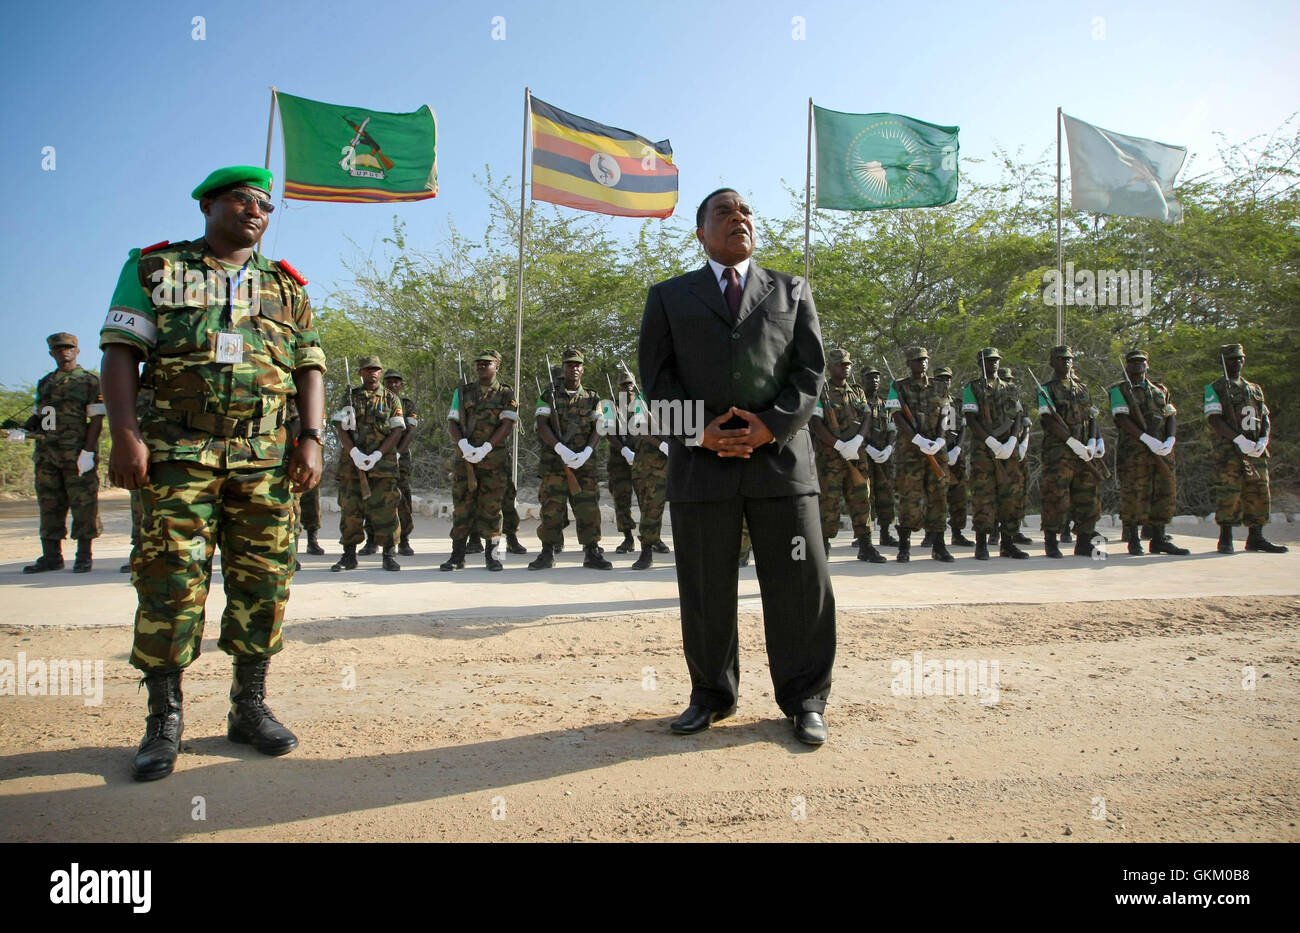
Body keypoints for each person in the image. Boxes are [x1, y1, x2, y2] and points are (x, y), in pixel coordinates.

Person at [100, 165, 325, 781]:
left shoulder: (287, 285)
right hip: (176, 456)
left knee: (264, 581)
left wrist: (311, 439)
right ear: (207, 205)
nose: (254, 210)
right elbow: (120, 355)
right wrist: (124, 437)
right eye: (240, 199)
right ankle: (163, 719)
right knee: (170, 580)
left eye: (265, 204)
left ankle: (248, 708)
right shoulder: (156, 269)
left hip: (264, 458)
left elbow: (310, 366)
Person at [640, 187, 835, 746]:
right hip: (703, 468)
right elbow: (657, 384)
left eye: (745, 211)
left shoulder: (791, 291)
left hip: (779, 462)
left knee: (800, 583)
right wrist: (700, 431)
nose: (738, 218)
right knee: (705, 587)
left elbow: (809, 375)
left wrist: (771, 425)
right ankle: (711, 695)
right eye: (723, 212)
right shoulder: (669, 297)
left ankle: (804, 700)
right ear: (700, 232)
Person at [6, 334, 105, 573]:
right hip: (47, 454)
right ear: (51, 353)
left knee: (83, 503)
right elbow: (40, 416)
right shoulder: (45, 382)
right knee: (49, 503)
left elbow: (96, 419)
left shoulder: (89, 381)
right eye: (58, 349)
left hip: (77, 453)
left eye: (68, 348)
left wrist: (88, 452)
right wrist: (21, 429)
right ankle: (51, 556)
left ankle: (83, 556)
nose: (64, 352)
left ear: (77, 351)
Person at [529, 350, 609, 569]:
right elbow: (542, 425)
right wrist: (559, 448)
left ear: (583, 369)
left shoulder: (592, 397)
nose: (573, 368)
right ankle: (547, 551)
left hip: (584, 464)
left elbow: (599, 428)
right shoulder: (548, 395)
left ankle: (591, 551)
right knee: (551, 508)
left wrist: (587, 453)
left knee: (588, 509)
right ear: (563, 369)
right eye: (569, 365)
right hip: (555, 464)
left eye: (577, 365)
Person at [440, 349, 518, 571]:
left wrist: (487, 447)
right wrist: (463, 445)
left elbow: (507, 424)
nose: (482, 367)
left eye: (487, 363)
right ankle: (457, 556)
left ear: (497, 367)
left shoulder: (505, 393)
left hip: (493, 460)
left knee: (493, 509)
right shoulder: (462, 392)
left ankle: (495, 556)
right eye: (479, 364)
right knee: (462, 507)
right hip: (465, 459)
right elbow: (453, 422)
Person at [1205, 343, 1287, 554]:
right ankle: (1226, 538)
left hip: (1255, 449)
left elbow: (1264, 417)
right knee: (1229, 492)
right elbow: (1214, 419)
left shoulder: (1254, 389)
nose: (1238, 362)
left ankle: (1256, 537)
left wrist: (1262, 440)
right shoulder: (1215, 388)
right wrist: (1238, 439)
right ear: (1224, 362)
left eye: (1240, 358)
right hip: (1230, 450)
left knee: (1259, 491)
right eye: (1233, 359)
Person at [1109, 350, 1188, 556]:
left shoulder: (1160, 390)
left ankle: (1159, 538)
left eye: (1142, 362)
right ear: (1127, 366)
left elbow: (1170, 415)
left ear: (1148, 365)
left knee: (1163, 492)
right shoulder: (1120, 390)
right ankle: (1134, 539)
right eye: (1134, 363)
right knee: (1135, 493)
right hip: (1134, 451)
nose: (1138, 366)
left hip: (1161, 449)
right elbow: (1121, 419)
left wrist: (1170, 439)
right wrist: (1145, 438)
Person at [810, 348, 886, 563]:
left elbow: (867, 416)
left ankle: (866, 546)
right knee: (828, 502)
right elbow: (816, 423)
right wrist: (838, 444)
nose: (846, 367)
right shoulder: (820, 391)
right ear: (830, 367)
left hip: (856, 454)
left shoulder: (857, 391)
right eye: (841, 364)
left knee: (862, 498)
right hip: (830, 458)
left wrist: (857, 441)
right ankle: (823, 548)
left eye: (847, 364)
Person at [330, 357, 405, 571]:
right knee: (351, 509)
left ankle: (389, 555)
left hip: (382, 466)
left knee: (386, 509)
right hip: (352, 466)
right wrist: (353, 452)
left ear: (380, 373)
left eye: (376, 369)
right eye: (367, 369)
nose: (372, 373)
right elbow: (341, 428)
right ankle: (348, 556)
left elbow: (398, 430)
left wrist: (377, 455)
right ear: (360, 373)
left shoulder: (391, 399)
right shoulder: (350, 397)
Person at [885, 347, 955, 563]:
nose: (922, 363)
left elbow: (946, 414)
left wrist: (941, 439)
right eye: (917, 360)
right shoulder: (898, 386)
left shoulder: (940, 386)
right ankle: (904, 546)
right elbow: (896, 415)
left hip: (936, 448)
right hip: (910, 451)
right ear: (909, 363)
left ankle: (939, 546)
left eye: (924, 360)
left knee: (939, 498)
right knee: (910, 497)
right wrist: (917, 439)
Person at [1036, 346, 1104, 558]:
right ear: (1052, 363)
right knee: (1056, 497)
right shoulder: (1046, 390)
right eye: (1060, 359)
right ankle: (1051, 541)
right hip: (1059, 453)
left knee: (1088, 497)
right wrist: (1071, 442)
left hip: (1083, 451)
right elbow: (1048, 420)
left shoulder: (1082, 389)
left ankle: (1084, 541)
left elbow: (1091, 417)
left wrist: (1093, 441)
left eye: (1068, 359)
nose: (1065, 363)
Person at [962, 348, 1030, 560]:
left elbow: (1018, 415)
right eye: (988, 361)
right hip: (984, 451)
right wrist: (990, 440)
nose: (992, 364)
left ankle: (1008, 542)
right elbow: (971, 418)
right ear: (980, 363)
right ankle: (981, 543)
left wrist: (1012, 440)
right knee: (984, 497)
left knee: (1010, 496)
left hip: (1008, 449)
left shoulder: (1010, 388)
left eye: (995, 361)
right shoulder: (972, 387)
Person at [933, 366, 973, 548]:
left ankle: (957, 532)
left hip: (955, 451)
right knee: (935, 495)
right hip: (936, 451)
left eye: (948, 379)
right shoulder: (931, 401)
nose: (945, 382)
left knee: (959, 495)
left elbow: (963, 426)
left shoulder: (956, 402)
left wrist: (957, 449)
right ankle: (931, 533)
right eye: (941, 379)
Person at [861, 367, 898, 548]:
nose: (874, 380)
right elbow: (854, 429)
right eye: (870, 377)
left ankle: (885, 533)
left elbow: (892, 429)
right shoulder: (859, 403)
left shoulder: (886, 404)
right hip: (864, 454)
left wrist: (890, 448)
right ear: (863, 379)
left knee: (886, 495)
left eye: (876, 377)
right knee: (864, 496)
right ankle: (863, 535)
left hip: (884, 455)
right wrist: (867, 447)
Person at [605, 371, 640, 555]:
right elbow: (609, 433)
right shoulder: (611, 406)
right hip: (619, 459)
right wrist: (624, 450)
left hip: (642, 458)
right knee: (621, 499)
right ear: (618, 387)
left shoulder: (642, 405)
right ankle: (628, 537)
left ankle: (652, 538)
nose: (627, 388)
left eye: (630, 385)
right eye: (624, 385)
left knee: (648, 500)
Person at [385, 370, 419, 556]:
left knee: (403, 497)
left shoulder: (407, 404)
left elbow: (411, 430)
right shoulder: (379, 401)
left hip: (400, 458)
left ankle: (404, 539)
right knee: (375, 498)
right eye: (389, 381)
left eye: (397, 382)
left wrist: (398, 452)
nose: (393, 385)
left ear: (401, 385)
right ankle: (373, 539)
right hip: (378, 456)